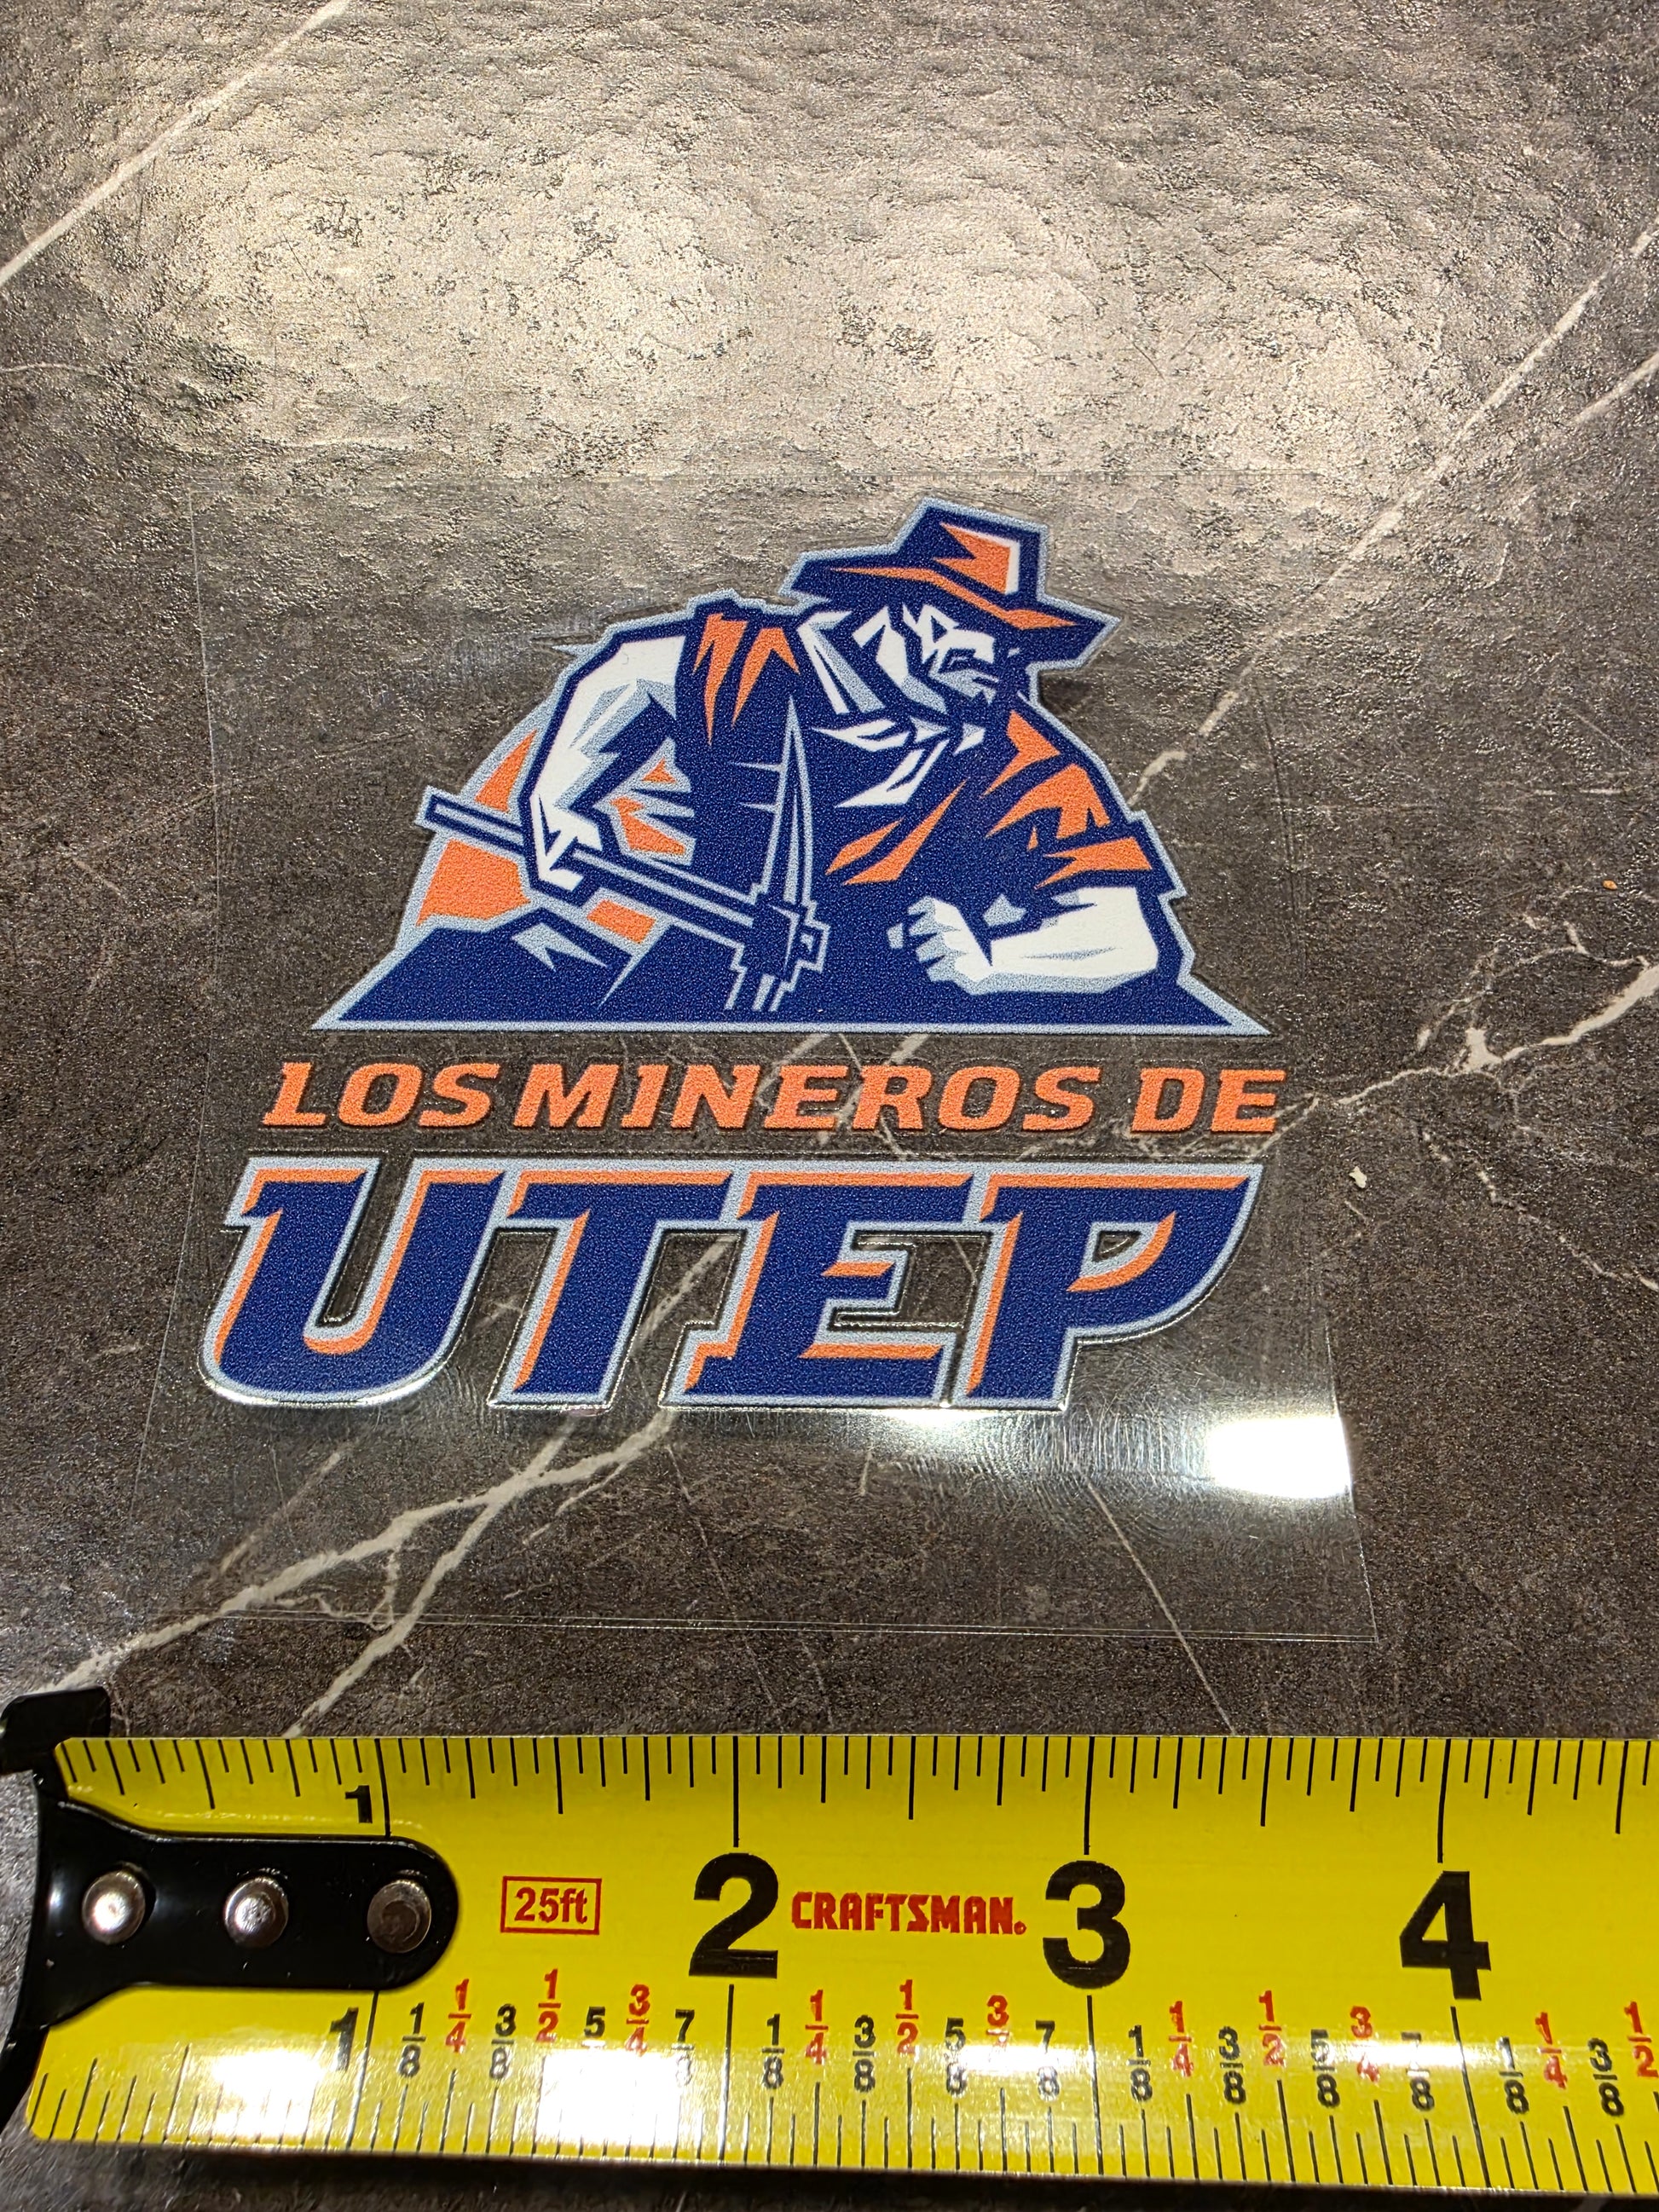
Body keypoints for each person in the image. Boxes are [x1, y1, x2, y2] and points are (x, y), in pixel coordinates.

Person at [324, 503, 1253, 1033]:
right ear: (905, 612)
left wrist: (997, 959)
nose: (1005, 661)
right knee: (464, 979)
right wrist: (561, 799)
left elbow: (1129, 941)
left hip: (883, 1020)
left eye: (1019, 644)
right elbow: (630, 673)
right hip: (703, 975)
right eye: (985, 632)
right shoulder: (757, 664)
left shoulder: (1019, 756)